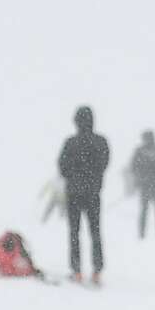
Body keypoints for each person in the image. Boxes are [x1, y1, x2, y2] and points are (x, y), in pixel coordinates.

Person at [56, 105, 109, 285]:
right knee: (95, 232)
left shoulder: (70, 143)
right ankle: (97, 271)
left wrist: (75, 177)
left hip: (74, 194)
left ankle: (77, 271)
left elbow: (62, 167)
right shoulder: (101, 141)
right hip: (93, 193)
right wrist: (93, 179)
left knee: (74, 233)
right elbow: (104, 163)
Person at [129, 130, 155, 239]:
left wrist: (140, 177)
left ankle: (144, 233)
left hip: (149, 185)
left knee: (147, 211)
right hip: (154, 185)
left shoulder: (140, 152)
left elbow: (133, 167)